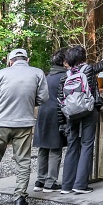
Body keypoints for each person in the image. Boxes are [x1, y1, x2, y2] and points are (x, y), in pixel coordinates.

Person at [0, 48, 48, 205]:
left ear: (10, 61)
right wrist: (31, 102)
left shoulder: (1, 74)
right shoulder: (37, 73)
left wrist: (2, 104)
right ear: (27, 59)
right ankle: (19, 198)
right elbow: (43, 98)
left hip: (1, 123)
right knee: (23, 161)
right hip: (24, 124)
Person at [59, 44, 101, 194]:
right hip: (87, 111)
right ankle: (80, 184)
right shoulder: (88, 69)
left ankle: (66, 185)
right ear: (83, 57)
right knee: (87, 144)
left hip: (70, 113)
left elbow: (61, 99)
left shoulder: (66, 75)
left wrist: (62, 122)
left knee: (72, 146)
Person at [33, 49, 68, 193]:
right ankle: (50, 182)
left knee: (43, 147)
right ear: (65, 62)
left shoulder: (45, 77)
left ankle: (39, 180)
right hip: (56, 114)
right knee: (55, 148)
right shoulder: (65, 77)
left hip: (43, 113)